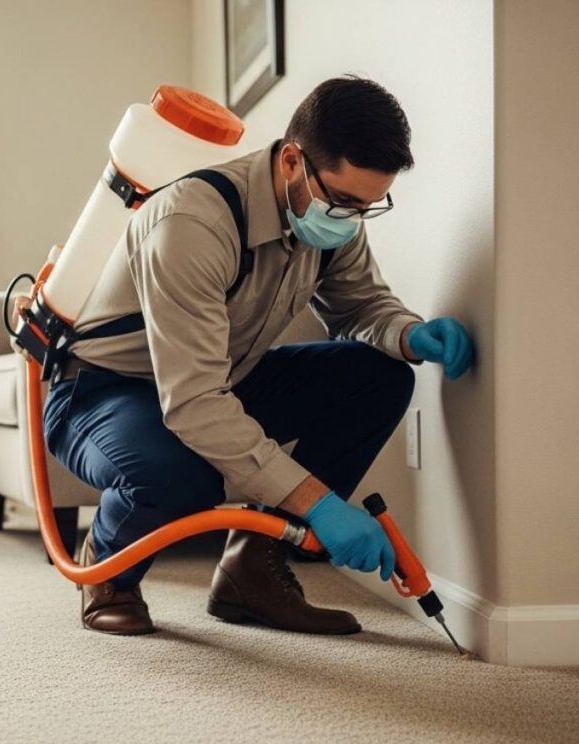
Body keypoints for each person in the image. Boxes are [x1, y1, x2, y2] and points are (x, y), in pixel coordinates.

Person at [41, 77, 475, 635]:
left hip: (221, 378)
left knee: (379, 378)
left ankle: (252, 566)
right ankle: (109, 572)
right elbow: (194, 405)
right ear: (292, 160)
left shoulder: (335, 217)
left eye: (367, 207)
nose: (350, 219)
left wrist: (411, 335)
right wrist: (318, 504)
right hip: (103, 391)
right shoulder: (193, 222)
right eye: (343, 202)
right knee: (183, 475)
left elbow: (361, 306)